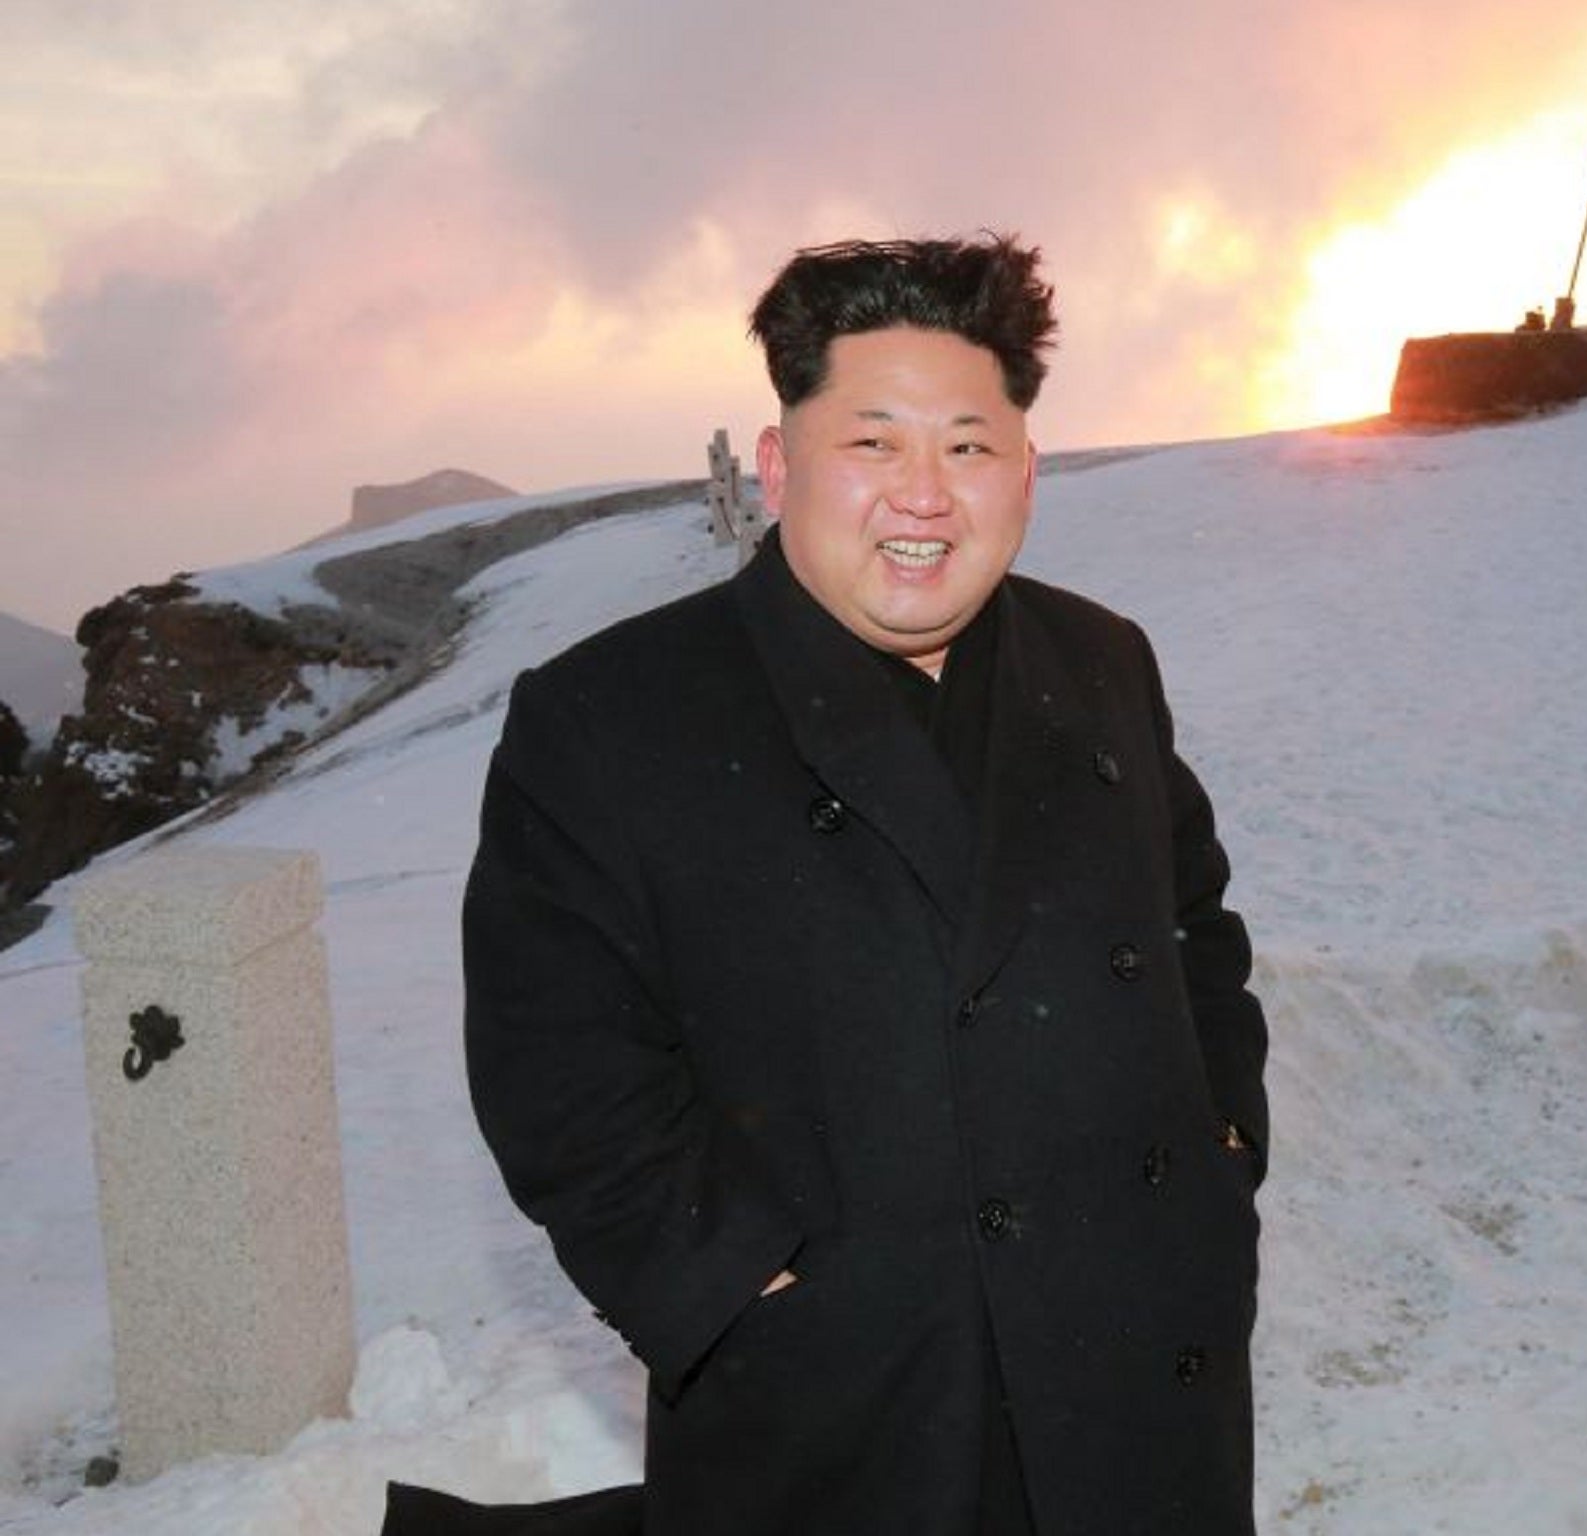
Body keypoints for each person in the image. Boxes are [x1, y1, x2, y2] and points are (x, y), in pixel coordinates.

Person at [395, 234, 1268, 1536]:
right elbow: (557, 1076)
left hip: (1143, 1363)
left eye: (968, 447)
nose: (925, 496)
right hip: (862, 1405)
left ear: (1025, 474)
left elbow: (1197, 929)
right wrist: (740, 1291)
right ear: (777, 463)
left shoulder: (1099, 661)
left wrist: (1220, 1152)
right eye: (874, 443)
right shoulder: (614, 717)